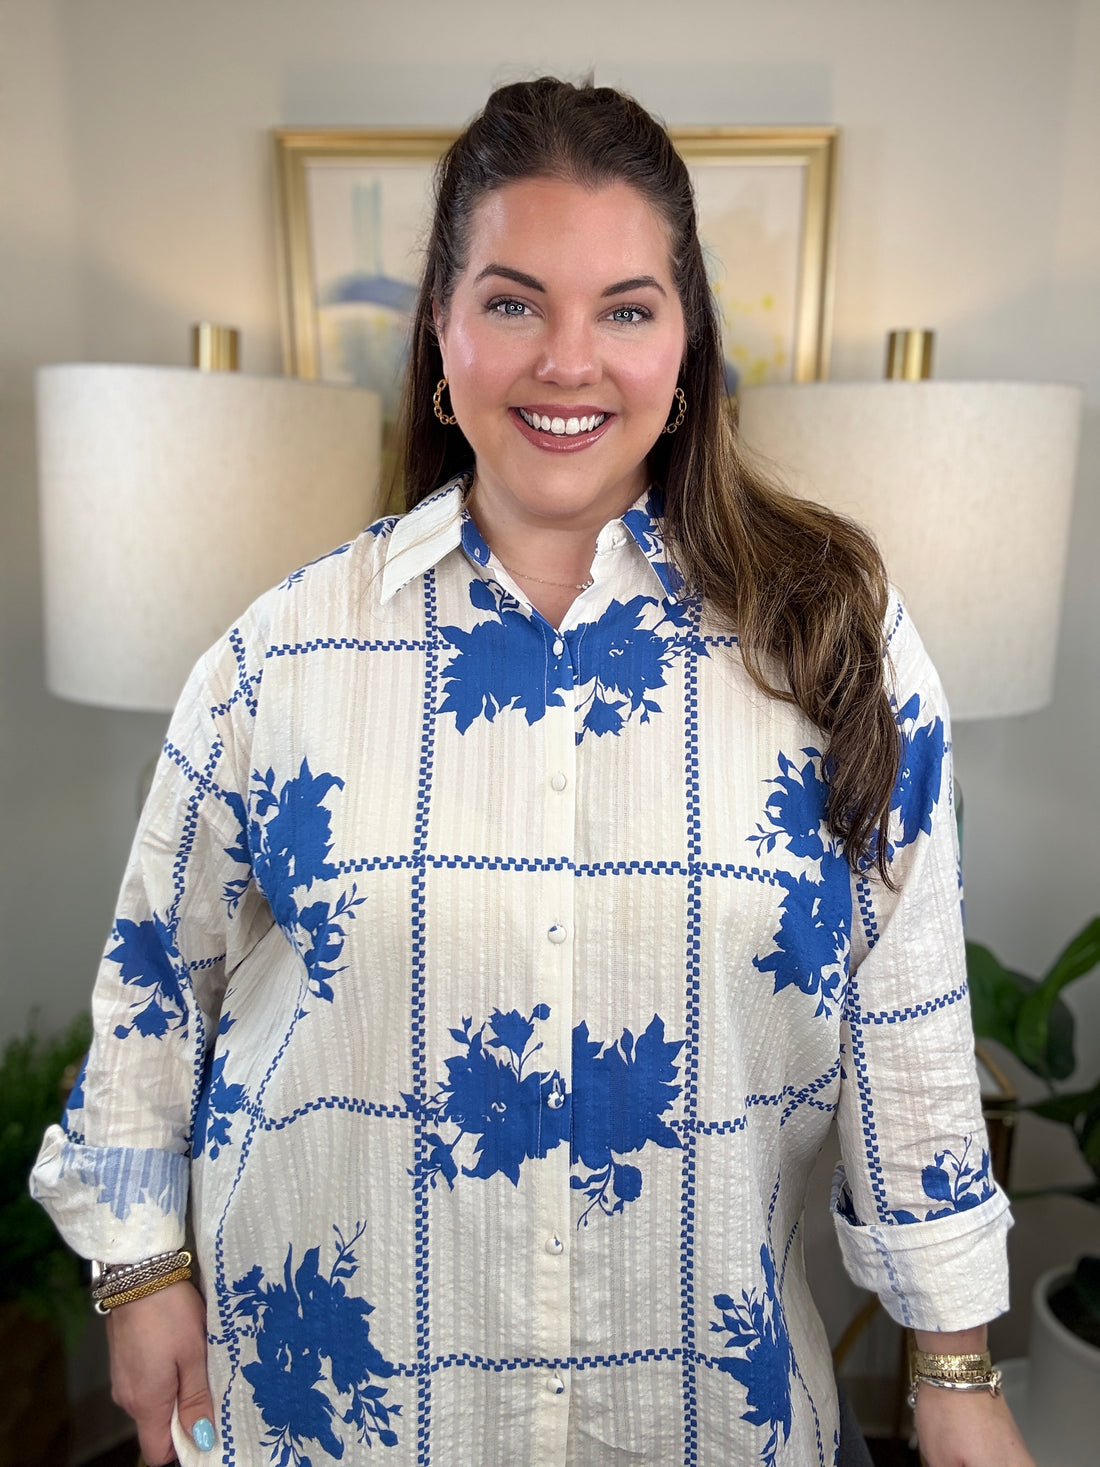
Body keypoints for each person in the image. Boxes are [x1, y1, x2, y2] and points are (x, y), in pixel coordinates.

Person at [32, 78, 1033, 1467]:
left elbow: (909, 1023)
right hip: (332, 1422)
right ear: (439, 336)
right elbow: (155, 984)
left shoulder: (839, 644)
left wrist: (958, 1365)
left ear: (686, 352)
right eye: (512, 303)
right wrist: (139, 1272)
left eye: (626, 309)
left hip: (703, 1419)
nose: (571, 360)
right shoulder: (279, 660)